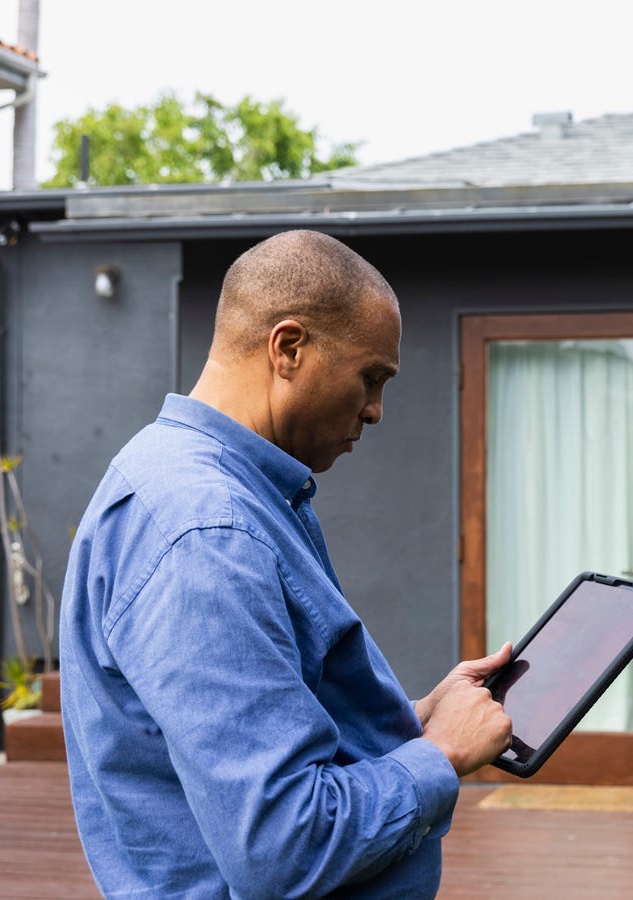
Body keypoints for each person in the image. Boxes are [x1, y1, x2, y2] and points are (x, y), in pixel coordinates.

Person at [59, 230, 513, 898]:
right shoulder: (207, 531)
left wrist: (416, 722)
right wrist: (440, 755)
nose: (376, 411)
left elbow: (253, 738)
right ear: (289, 347)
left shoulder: (206, 485)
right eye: (371, 377)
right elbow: (282, 846)